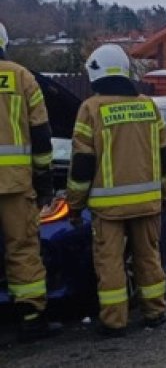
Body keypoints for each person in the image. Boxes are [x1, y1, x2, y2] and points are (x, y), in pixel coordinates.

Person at [65, 44, 166, 337]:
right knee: (148, 258)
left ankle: (115, 321)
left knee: (110, 263)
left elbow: (82, 163)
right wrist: (165, 193)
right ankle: (155, 312)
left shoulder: (91, 109)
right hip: (147, 202)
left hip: (108, 208)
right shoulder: (149, 106)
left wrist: (74, 204)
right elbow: (165, 156)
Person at [0, 22, 63, 342]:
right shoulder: (22, 77)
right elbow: (41, 136)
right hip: (15, 183)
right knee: (22, 249)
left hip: (16, 181)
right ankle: (31, 318)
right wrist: (44, 183)